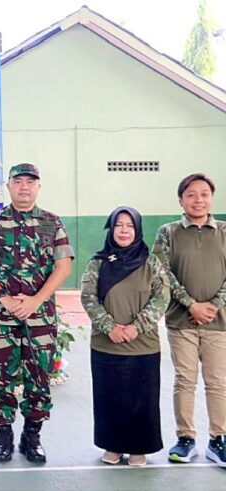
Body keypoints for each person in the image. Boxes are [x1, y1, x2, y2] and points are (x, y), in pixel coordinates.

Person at [0, 163, 73, 463]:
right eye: (18, 182)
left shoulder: (53, 223)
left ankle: (32, 437)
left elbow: (63, 265)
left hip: (40, 318)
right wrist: (2, 297)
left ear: (38, 187)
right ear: (9, 186)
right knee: (1, 378)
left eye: (30, 182)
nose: (24, 187)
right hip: (3, 317)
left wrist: (36, 301)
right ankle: (3, 438)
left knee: (39, 378)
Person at [81, 206, 169, 467]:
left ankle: (138, 448)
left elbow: (162, 298)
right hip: (105, 345)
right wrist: (110, 327)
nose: (123, 230)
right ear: (111, 228)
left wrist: (135, 327)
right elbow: (88, 298)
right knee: (110, 398)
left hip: (143, 346)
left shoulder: (151, 262)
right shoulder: (97, 262)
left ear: (138, 229)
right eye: (118, 224)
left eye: (129, 225)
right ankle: (113, 446)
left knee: (142, 399)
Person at [152, 173, 226, 467]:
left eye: (204, 194)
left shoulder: (223, 231)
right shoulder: (167, 232)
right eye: (191, 194)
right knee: (184, 381)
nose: (198, 200)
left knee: (218, 382)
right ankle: (185, 439)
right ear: (181, 199)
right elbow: (161, 272)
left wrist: (213, 305)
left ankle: (218, 439)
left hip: (219, 323)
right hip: (181, 322)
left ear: (211, 198)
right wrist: (191, 304)